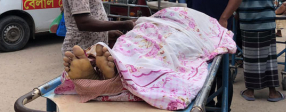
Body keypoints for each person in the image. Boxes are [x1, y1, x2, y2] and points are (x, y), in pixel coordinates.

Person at [60, 7, 236, 110]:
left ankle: (116, 72)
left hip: (156, 26)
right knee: (165, 48)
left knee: (137, 42)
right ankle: (118, 72)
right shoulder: (207, 21)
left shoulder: (168, 14)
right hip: (176, 30)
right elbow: (220, 38)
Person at [238, 0, 286, 102]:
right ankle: (272, 92)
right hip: (266, 22)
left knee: (250, 57)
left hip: (247, 22)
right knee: (269, 57)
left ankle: (250, 91)